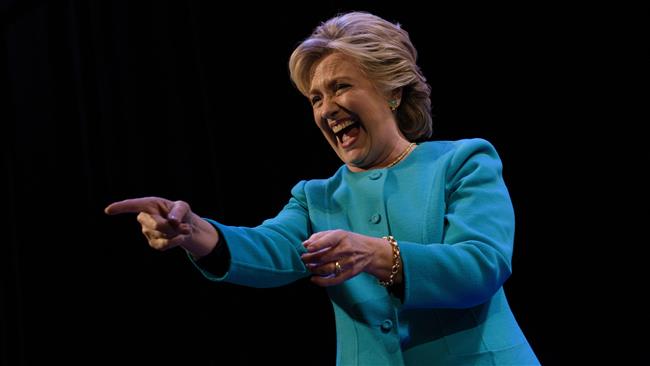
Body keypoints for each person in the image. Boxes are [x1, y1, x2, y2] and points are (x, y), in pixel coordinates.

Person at [105, 11, 539, 365]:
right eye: (315, 98)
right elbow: (269, 248)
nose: (327, 109)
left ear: (390, 91)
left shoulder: (462, 162)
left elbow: (482, 265)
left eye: (340, 87)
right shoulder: (316, 197)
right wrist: (194, 232)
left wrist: (375, 253)